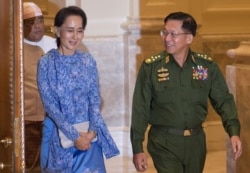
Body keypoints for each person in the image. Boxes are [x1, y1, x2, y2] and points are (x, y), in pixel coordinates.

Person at [130, 11, 243, 173]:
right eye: (165, 32)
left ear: (189, 38)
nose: (166, 38)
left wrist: (233, 132)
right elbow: (140, 108)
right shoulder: (151, 67)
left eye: (173, 34)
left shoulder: (205, 66)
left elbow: (223, 100)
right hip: (163, 142)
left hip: (196, 143)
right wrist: (137, 147)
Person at [37, 6, 119, 173]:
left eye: (80, 31)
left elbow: (94, 99)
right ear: (58, 31)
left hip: (89, 138)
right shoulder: (46, 63)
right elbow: (50, 105)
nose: (75, 36)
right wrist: (74, 136)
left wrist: (92, 132)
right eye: (70, 30)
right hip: (61, 138)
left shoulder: (87, 60)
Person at [23, 2, 57, 171]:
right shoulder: (14, 49)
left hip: (54, 118)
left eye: (40, 21)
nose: (37, 26)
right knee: (33, 166)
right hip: (28, 120)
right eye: (31, 22)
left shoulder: (54, 44)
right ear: (21, 25)